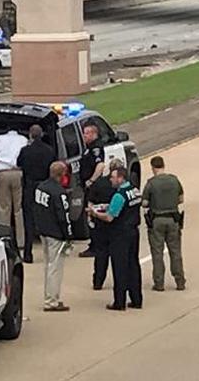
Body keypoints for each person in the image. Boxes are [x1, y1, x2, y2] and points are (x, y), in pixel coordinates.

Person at [88, 166, 143, 311]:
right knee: (133, 265)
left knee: (119, 267)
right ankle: (137, 299)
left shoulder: (119, 195)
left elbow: (109, 217)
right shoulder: (134, 190)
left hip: (120, 235)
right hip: (133, 232)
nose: (111, 180)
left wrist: (95, 213)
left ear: (120, 178)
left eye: (113, 177)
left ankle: (119, 301)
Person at [33, 161, 73, 312]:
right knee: (55, 268)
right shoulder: (58, 192)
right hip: (55, 234)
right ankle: (51, 301)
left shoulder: (40, 188)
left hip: (43, 232)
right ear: (62, 175)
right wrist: (68, 235)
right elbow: (63, 216)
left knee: (48, 266)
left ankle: (50, 296)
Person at [142, 156, 186, 292]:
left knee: (157, 253)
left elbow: (144, 203)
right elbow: (181, 199)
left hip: (157, 220)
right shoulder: (174, 180)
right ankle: (180, 281)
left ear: (153, 167)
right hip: (173, 219)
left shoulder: (151, 183)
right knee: (175, 252)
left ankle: (159, 283)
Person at [17, 124, 54, 264]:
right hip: (44, 187)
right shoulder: (49, 151)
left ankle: (28, 253)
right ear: (42, 135)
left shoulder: (25, 151)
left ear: (30, 136)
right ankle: (49, 253)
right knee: (47, 219)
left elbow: (19, 164)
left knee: (29, 221)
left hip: (30, 187)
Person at [0, 128, 27, 249]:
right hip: (19, 173)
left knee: (4, 207)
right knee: (19, 208)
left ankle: (4, 239)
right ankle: (21, 241)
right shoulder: (23, 139)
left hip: (3, 173)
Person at [77, 124, 106, 258]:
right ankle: (94, 243)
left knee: (92, 214)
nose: (84, 136)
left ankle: (96, 245)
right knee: (89, 215)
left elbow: (100, 165)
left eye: (86, 133)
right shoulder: (88, 148)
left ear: (94, 134)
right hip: (88, 186)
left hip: (93, 187)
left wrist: (91, 180)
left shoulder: (96, 148)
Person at [86, 159, 116, 289]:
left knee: (101, 255)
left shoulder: (98, 183)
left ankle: (98, 282)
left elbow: (90, 202)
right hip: (116, 225)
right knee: (117, 256)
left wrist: (91, 217)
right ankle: (119, 281)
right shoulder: (121, 187)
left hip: (100, 224)